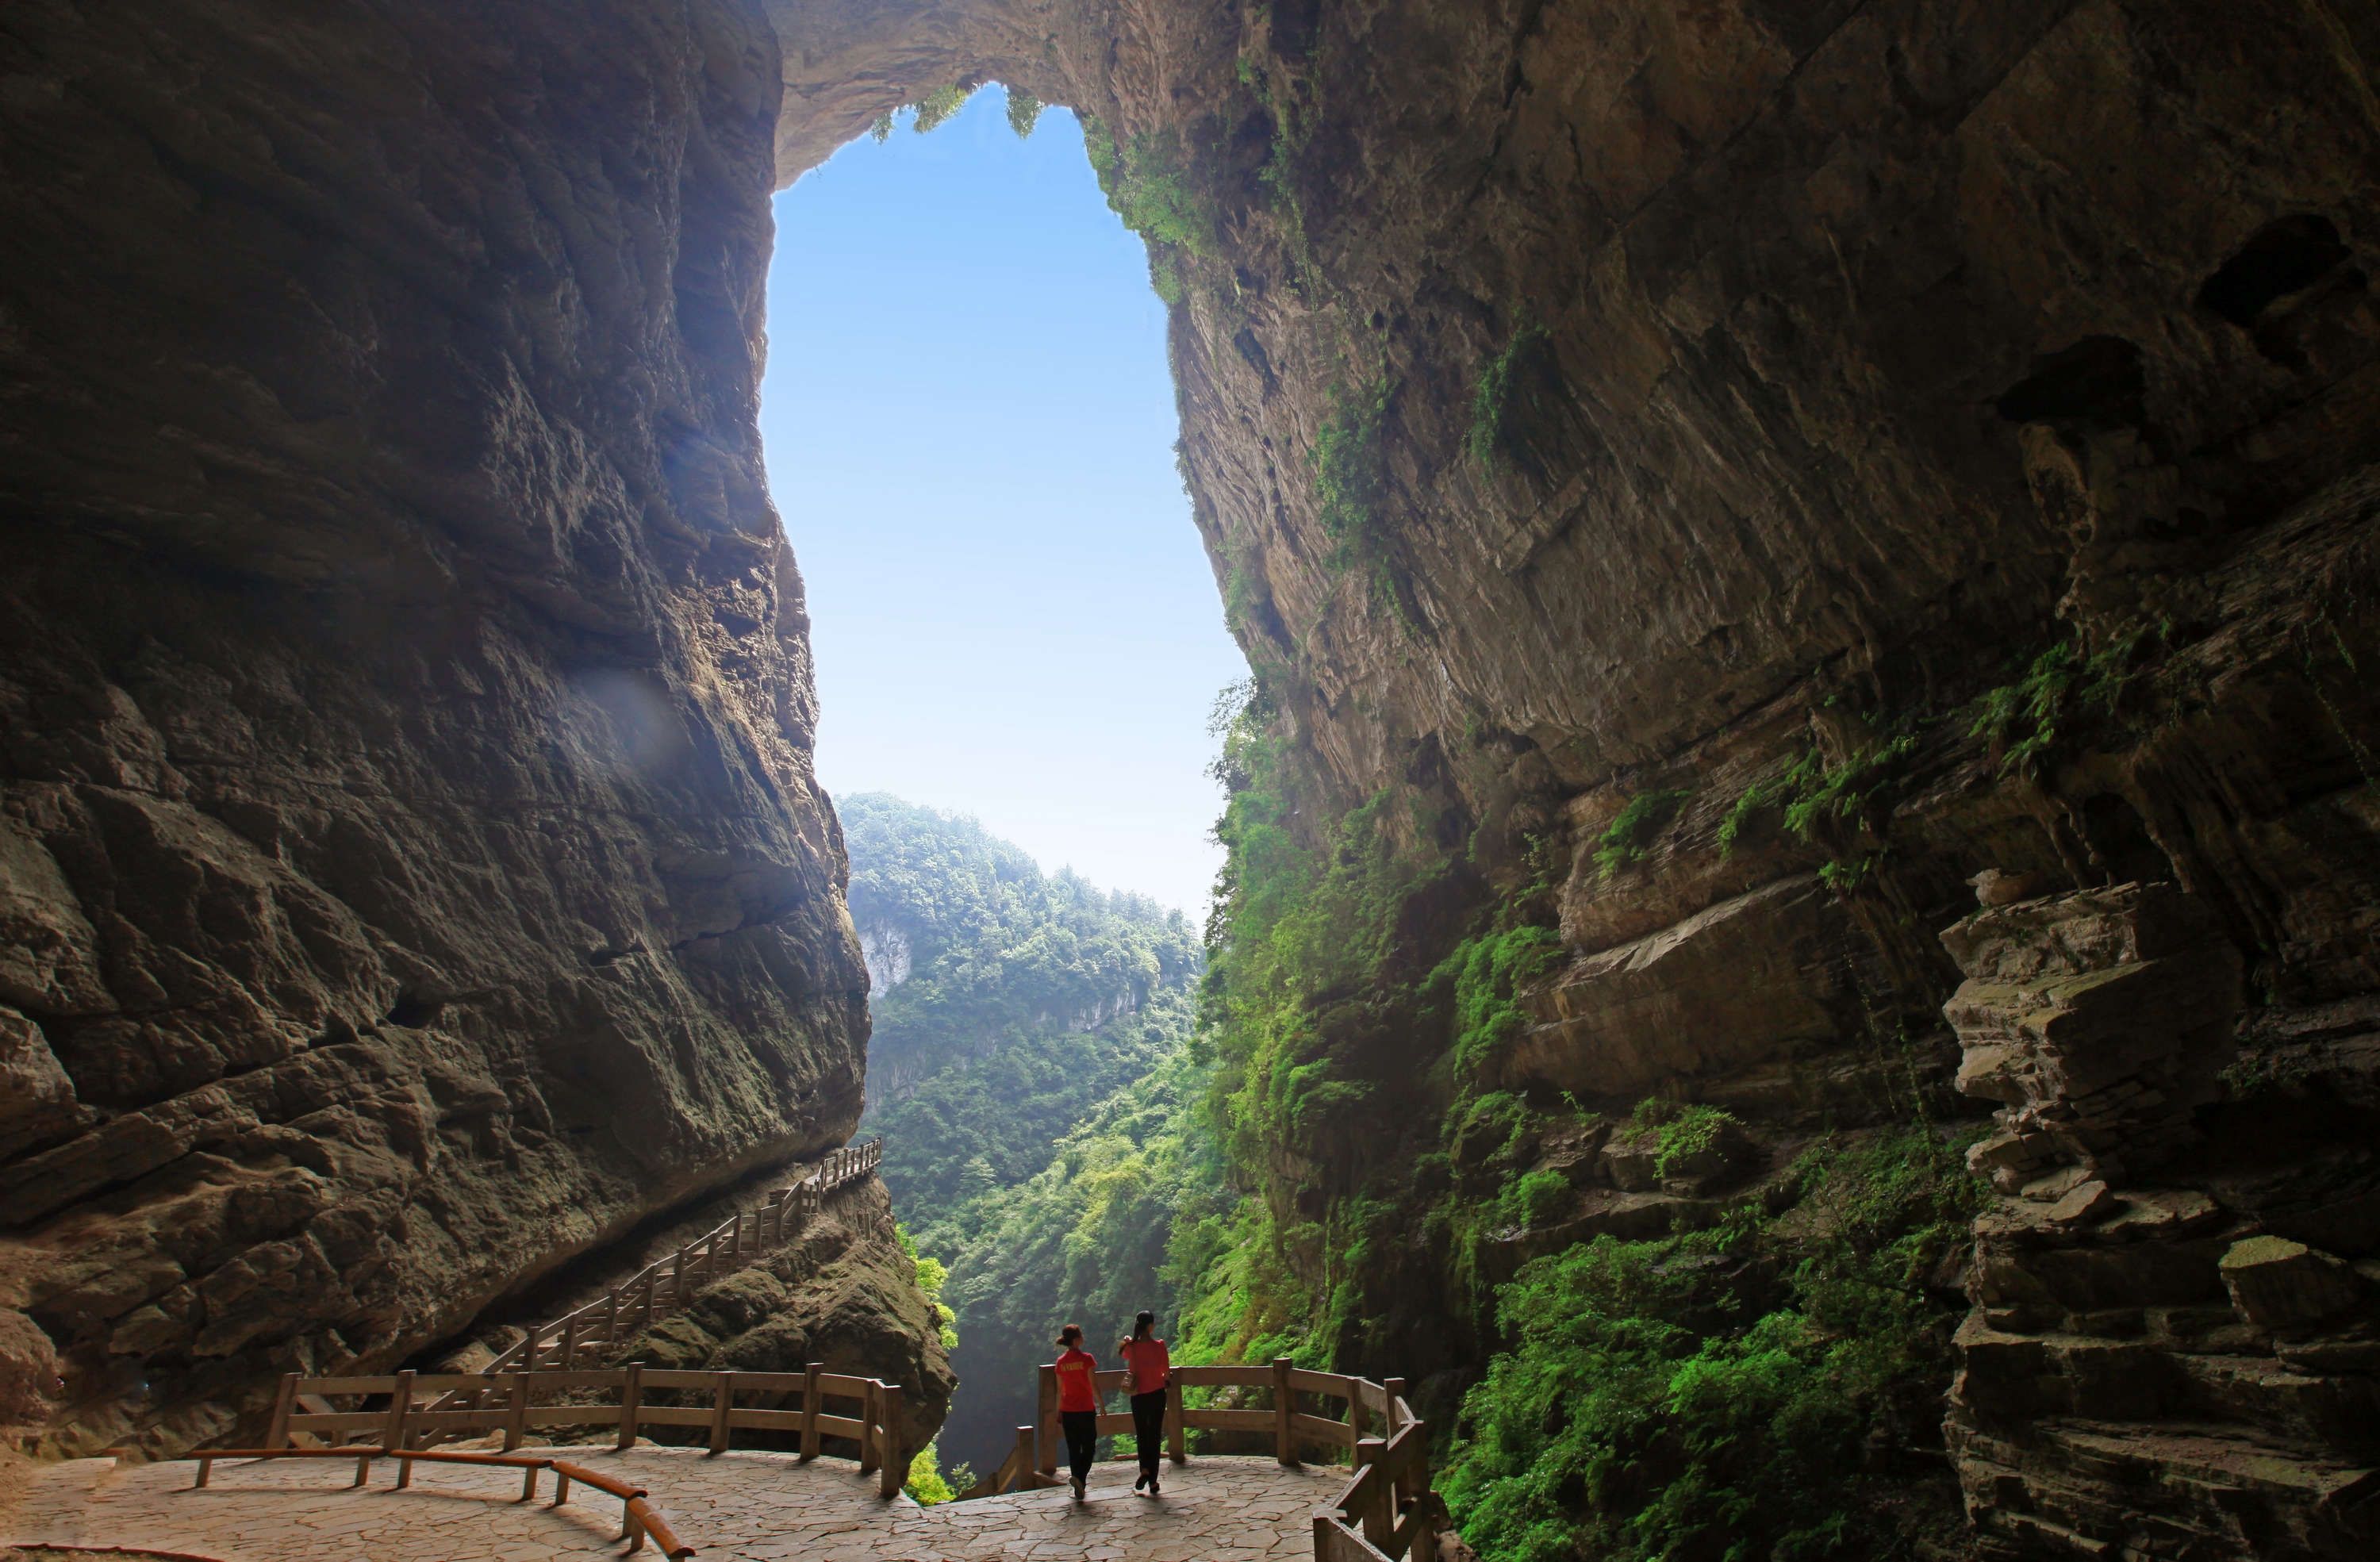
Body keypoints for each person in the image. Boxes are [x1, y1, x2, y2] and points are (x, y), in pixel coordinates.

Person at [1115, 1311, 1171, 1497]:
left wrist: (1128, 1340)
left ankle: (1144, 1470)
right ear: (1150, 1327)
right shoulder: (1160, 1346)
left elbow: (1125, 1357)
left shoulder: (1131, 1347)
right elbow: (1166, 1371)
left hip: (1138, 1396)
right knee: (1154, 1435)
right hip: (1157, 1394)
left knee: (1142, 1434)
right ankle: (1153, 1481)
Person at [1053, 1323, 1101, 1501]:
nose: (1083, 1337)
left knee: (1073, 1448)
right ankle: (1080, 1479)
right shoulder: (1087, 1359)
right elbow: (1094, 1384)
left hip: (1068, 1410)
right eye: (1080, 1334)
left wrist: (1059, 1411)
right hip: (1086, 1409)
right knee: (1089, 1447)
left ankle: (1078, 1485)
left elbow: (1060, 1390)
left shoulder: (1061, 1362)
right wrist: (1101, 1404)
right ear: (1075, 1339)